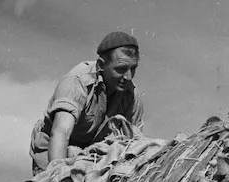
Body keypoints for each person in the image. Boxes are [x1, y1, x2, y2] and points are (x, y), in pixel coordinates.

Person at [30, 31, 144, 174]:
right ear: (101, 65)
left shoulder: (131, 95)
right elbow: (61, 132)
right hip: (56, 147)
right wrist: (58, 176)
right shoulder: (78, 81)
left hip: (95, 154)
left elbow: (133, 142)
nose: (128, 77)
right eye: (121, 69)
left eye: (133, 69)